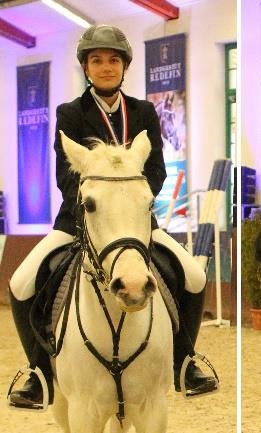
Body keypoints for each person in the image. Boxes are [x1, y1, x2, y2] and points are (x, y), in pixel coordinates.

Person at [7, 24, 218, 410]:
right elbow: (65, 175)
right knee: (21, 283)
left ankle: (184, 361)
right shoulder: (71, 113)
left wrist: (132, 201)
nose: (106, 67)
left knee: (193, 275)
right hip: (79, 222)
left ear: (124, 67)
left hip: (136, 223)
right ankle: (38, 373)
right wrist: (97, 205)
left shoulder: (143, 111)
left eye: (113, 60)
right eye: (97, 60)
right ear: (86, 68)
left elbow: (157, 169)